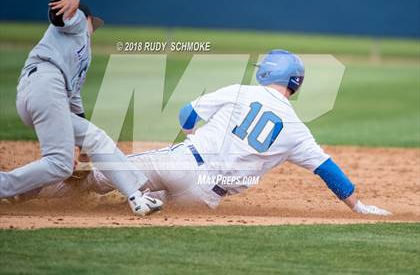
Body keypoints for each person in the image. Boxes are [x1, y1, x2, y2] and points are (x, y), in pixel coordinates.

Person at [18, 50, 391, 216]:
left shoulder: (240, 91)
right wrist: (358, 206)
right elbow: (328, 170)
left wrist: (188, 133)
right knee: (153, 209)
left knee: (103, 175)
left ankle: (25, 192)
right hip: (205, 198)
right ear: (295, 84)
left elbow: (187, 112)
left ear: (267, 73)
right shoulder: (297, 130)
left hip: (182, 162)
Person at [0, 0, 162, 216]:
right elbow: (59, 17)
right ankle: (5, 187)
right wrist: (73, 3)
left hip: (41, 92)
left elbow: (74, 101)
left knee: (92, 139)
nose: (92, 28)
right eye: (91, 22)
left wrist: (83, 147)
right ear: (86, 19)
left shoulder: (80, 54)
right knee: (60, 164)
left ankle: (136, 196)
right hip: (46, 84)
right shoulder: (77, 28)